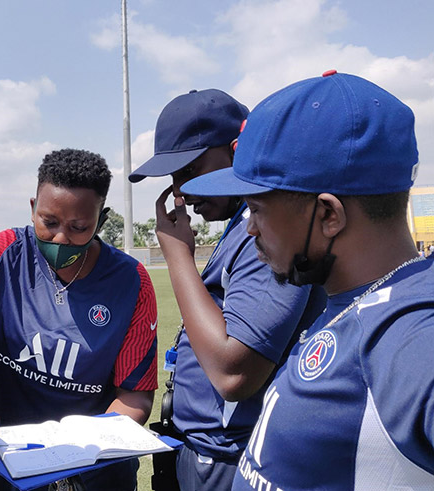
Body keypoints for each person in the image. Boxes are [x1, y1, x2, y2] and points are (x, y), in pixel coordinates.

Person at [180, 71, 434, 490]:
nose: (250, 229)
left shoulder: (411, 333)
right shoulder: (354, 298)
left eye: (257, 209)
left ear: (329, 215)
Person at [0, 149, 159, 491]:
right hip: (13, 464)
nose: (61, 238)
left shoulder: (132, 282)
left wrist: (80, 450)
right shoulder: (3, 253)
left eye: (79, 227)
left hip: (97, 472)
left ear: (101, 221)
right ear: (32, 209)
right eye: (49, 222)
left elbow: (136, 396)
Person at [129, 89, 326, 490]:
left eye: (190, 170)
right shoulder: (242, 224)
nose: (180, 192)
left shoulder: (265, 236)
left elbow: (233, 373)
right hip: (211, 451)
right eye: (174, 178)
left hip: (236, 457)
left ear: (237, 151)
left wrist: (178, 255)